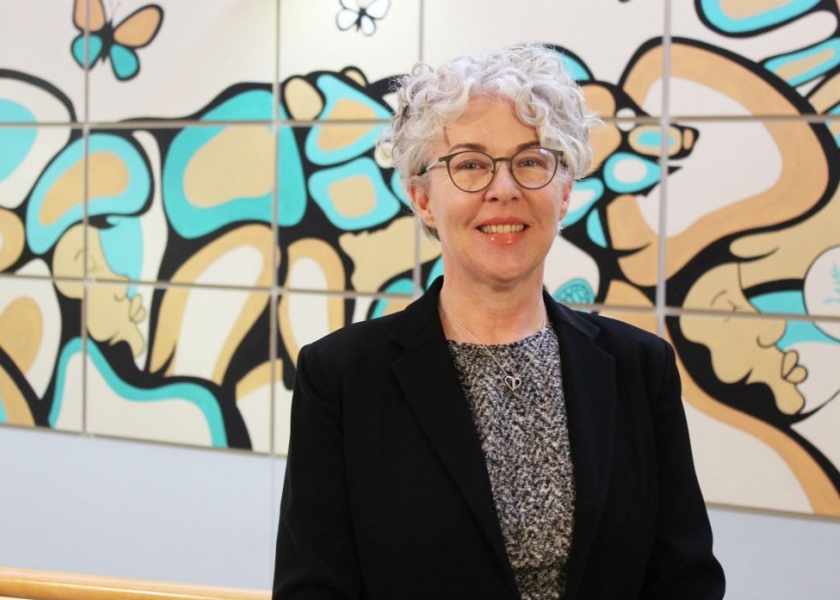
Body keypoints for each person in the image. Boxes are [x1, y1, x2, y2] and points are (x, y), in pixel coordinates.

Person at [273, 44, 725, 600]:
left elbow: (685, 579)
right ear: (423, 199)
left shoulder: (640, 367)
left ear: (563, 192)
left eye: (531, 160)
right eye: (469, 164)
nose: (503, 188)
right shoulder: (341, 377)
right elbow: (314, 588)